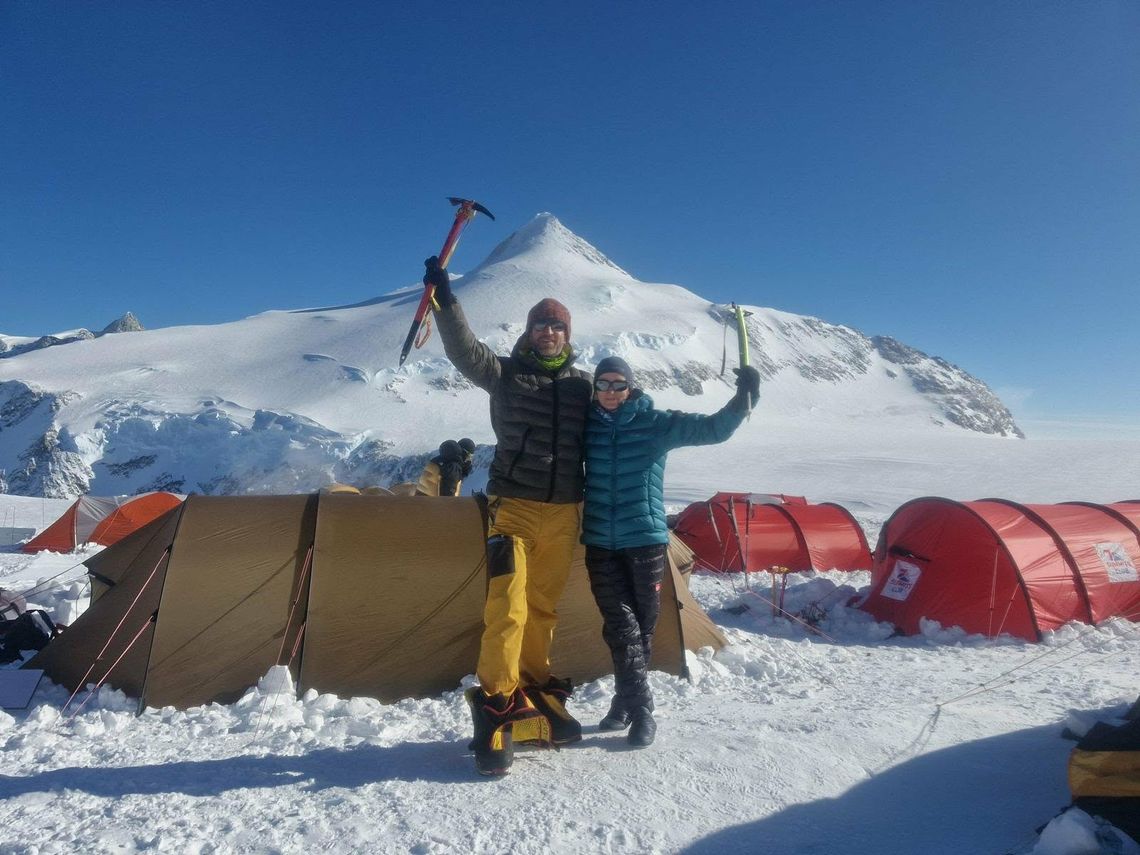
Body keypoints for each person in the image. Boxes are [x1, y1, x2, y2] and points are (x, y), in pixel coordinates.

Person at [423, 256, 593, 775]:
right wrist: (445, 301)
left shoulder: (584, 387)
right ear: (528, 332)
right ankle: (496, 707)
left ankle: (537, 695)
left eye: (557, 326)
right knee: (508, 607)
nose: (549, 332)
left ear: (567, 335)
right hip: (513, 511)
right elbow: (463, 352)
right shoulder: (505, 374)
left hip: (564, 512)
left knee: (543, 609)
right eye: (541, 324)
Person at [582, 355, 759, 747]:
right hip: (599, 542)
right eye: (603, 384)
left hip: (644, 540)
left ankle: (622, 702)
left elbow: (713, 429)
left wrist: (745, 397)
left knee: (641, 625)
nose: (610, 392)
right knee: (620, 624)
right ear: (594, 388)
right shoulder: (586, 425)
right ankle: (643, 710)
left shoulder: (655, 423)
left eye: (618, 384)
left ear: (630, 387)